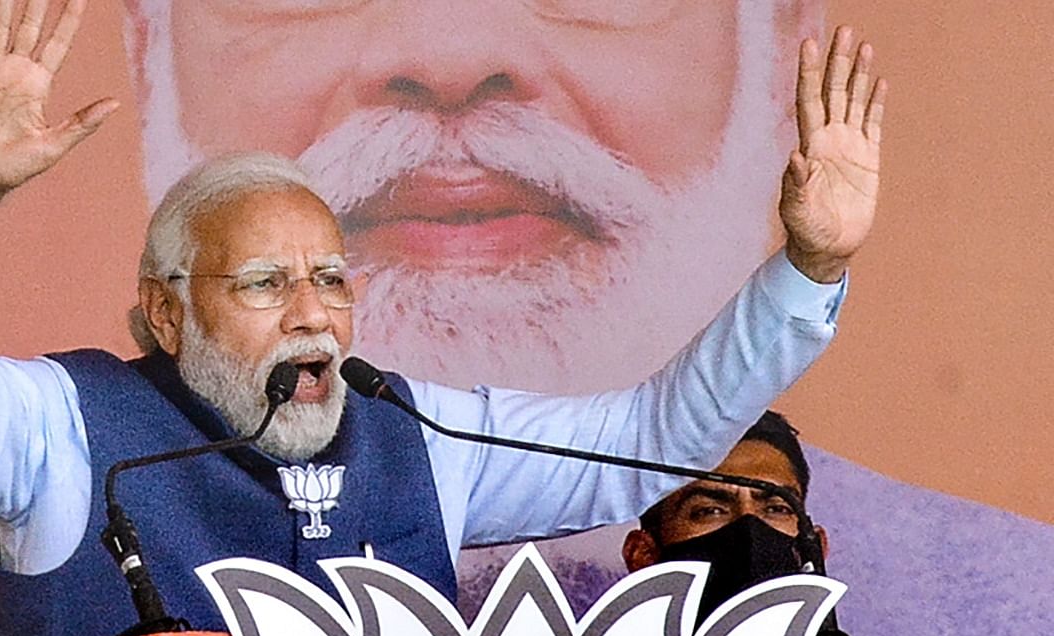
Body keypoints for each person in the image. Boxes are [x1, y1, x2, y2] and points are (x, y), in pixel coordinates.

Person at [0, 0, 884, 636]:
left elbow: (654, 439)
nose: (312, 312)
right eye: (263, 282)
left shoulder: (411, 434)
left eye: (331, 279)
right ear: (167, 311)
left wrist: (810, 268)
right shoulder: (64, 429)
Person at [119, 0, 838, 392]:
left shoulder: (446, 452)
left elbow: (660, 434)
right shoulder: (70, 446)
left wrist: (813, 266)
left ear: (778, 49)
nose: (450, 58)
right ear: (147, 53)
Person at [621, 410, 828, 623]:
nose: (749, 526)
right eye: (710, 511)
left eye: (777, 509)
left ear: (818, 550)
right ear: (643, 554)